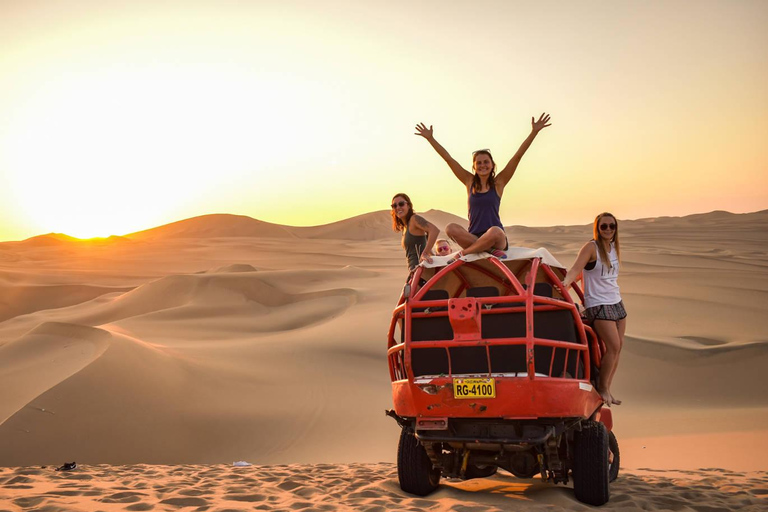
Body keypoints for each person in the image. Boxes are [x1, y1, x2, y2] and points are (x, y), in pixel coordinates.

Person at [414, 113, 551, 259]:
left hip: (496, 239)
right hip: (472, 236)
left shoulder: (499, 183)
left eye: (486, 162)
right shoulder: (469, 182)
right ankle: (488, 250)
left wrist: (534, 132)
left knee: (495, 231)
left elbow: (517, 157)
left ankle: (466, 252)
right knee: (450, 228)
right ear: (474, 166)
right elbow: (449, 159)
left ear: (492, 165)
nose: (482, 165)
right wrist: (430, 139)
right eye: (478, 163)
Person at [562, 212, 626, 406]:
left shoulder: (614, 248)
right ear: (597, 228)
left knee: (617, 348)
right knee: (613, 347)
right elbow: (576, 269)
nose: (608, 230)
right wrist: (565, 284)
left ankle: (607, 387)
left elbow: (596, 274)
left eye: (611, 226)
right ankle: (603, 389)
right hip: (598, 304)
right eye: (603, 226)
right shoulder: (591, 248)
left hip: (617, 302)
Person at [390, 193, 440, 272]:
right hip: (414, 271)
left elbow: (434, 230)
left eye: (401, 204)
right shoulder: (405, 227)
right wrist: (431, 253)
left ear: (408, 206)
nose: (398, 207)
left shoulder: (414, 219)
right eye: (394, 206)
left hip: (422, 270)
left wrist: (425, 253)